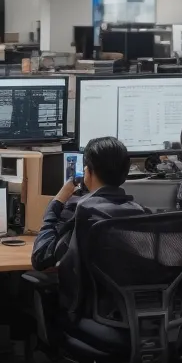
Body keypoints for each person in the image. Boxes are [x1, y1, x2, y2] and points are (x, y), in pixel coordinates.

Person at [32, 136, 148, 318]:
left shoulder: (82, 212)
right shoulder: (141, 213)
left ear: (88, 172)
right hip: (134, 317)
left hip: (89, 316)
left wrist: (56, 203)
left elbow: (41, 257)